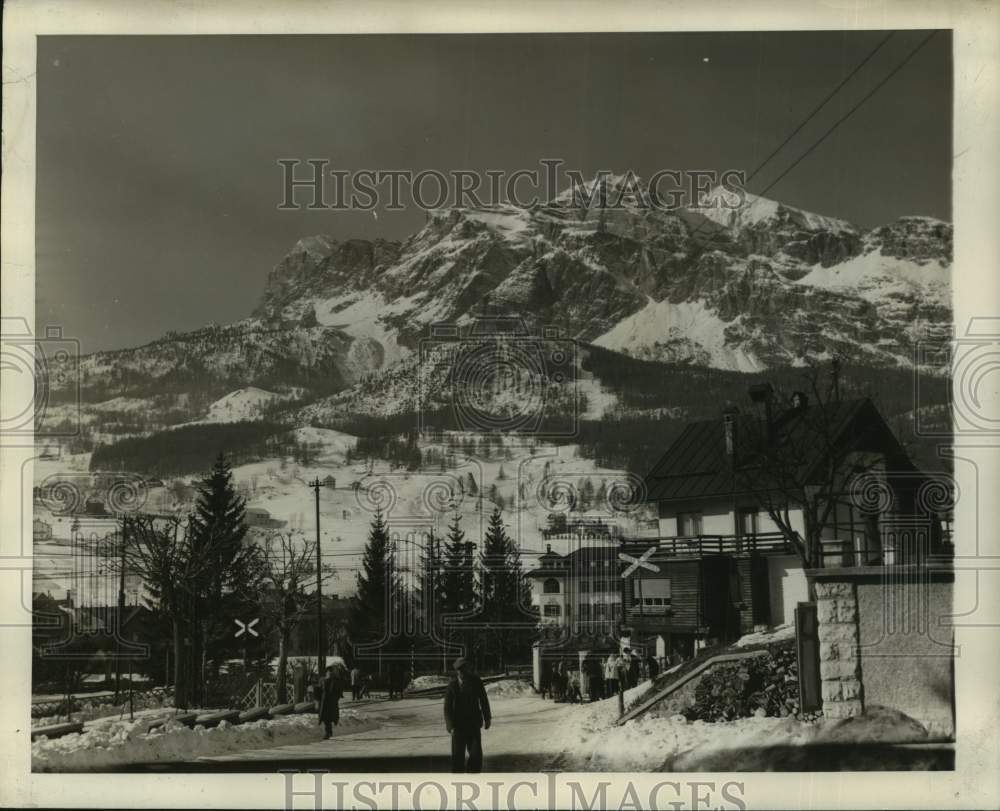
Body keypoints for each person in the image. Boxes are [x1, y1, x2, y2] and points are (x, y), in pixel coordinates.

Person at [443, 657, 492, 773]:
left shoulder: (476, 682)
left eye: (464, 669)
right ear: (457, 671)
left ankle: (474, 780)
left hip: (473, 725)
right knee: (457, 758)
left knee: (476, 756)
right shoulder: (452, 685)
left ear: (468, 669)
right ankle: (457, 784)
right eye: (460, 670)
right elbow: (447, 708)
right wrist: (450, 726)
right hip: (457, 726)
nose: (462, 672)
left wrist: (487, 718)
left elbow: (483, 700)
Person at [317, 665, 343, 740]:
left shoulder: (323, 680)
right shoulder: (336, 680)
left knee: (326, 717)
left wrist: (319, 699)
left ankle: (327, 732)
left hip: (325, 701)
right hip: (331, 701)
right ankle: (329, 732)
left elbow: (319, 690)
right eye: (329, 672)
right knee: (328, 717)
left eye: (329, 671)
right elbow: (339, 692)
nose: (329, 673)